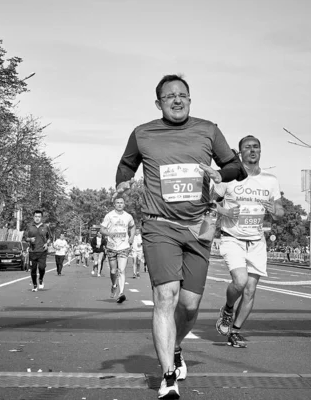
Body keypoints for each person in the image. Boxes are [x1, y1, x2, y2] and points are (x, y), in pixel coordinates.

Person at [114, 74, 247, 398]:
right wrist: (123, 181)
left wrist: (220, 172)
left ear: (189, 99)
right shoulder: (143, 133)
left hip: (199, 225)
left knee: (189, 306)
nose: (177, 99)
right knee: (166, 297)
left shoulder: (207, 130)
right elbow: (125, 165)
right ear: (158, 103)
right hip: (159, 225)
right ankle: (169, 378)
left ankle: (175, 346)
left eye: (182, 95)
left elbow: (236, 167)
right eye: (169, 96)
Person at [213, 135, 284, 348]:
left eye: (256, 147)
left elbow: (280, 210)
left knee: (251, 289)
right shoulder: (228, 178)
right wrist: (225, 210)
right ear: (239, 152)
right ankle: (227, 308)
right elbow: (208, 203)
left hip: (256, 241)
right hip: (231, 238)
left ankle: (235, 331)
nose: (252, 151)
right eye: (247, 147)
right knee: (240, 281)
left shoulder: (270, 180)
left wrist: (276, 211)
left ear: (260, 151)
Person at [99, 197, 135, 305]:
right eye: (117, 203)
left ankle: (121, 292)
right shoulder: (109, 216)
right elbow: (102, 229)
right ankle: (114, 285)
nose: (119, 205)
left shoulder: (128, 216)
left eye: (121, 203)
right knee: (113, 271)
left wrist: (132, 236)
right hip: (112, 245)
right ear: (114, 205)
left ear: (124, 204)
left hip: (124, 246)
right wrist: (109, 234)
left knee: (121, 270)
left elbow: (133, 227)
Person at [23, 210, 51, 291]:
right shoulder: (29, 227)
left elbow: (50, 238)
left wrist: (47, 244)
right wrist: (30, 239)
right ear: (33, 217)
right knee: (33, 269)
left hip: (42, 251)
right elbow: (25, 238)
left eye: (39, 217)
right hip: (32, 251)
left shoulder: (45, 227)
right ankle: (35, 285)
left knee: (42, 268)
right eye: (36, 216)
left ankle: (41, 279)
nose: (37, 218)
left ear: (41, 217)